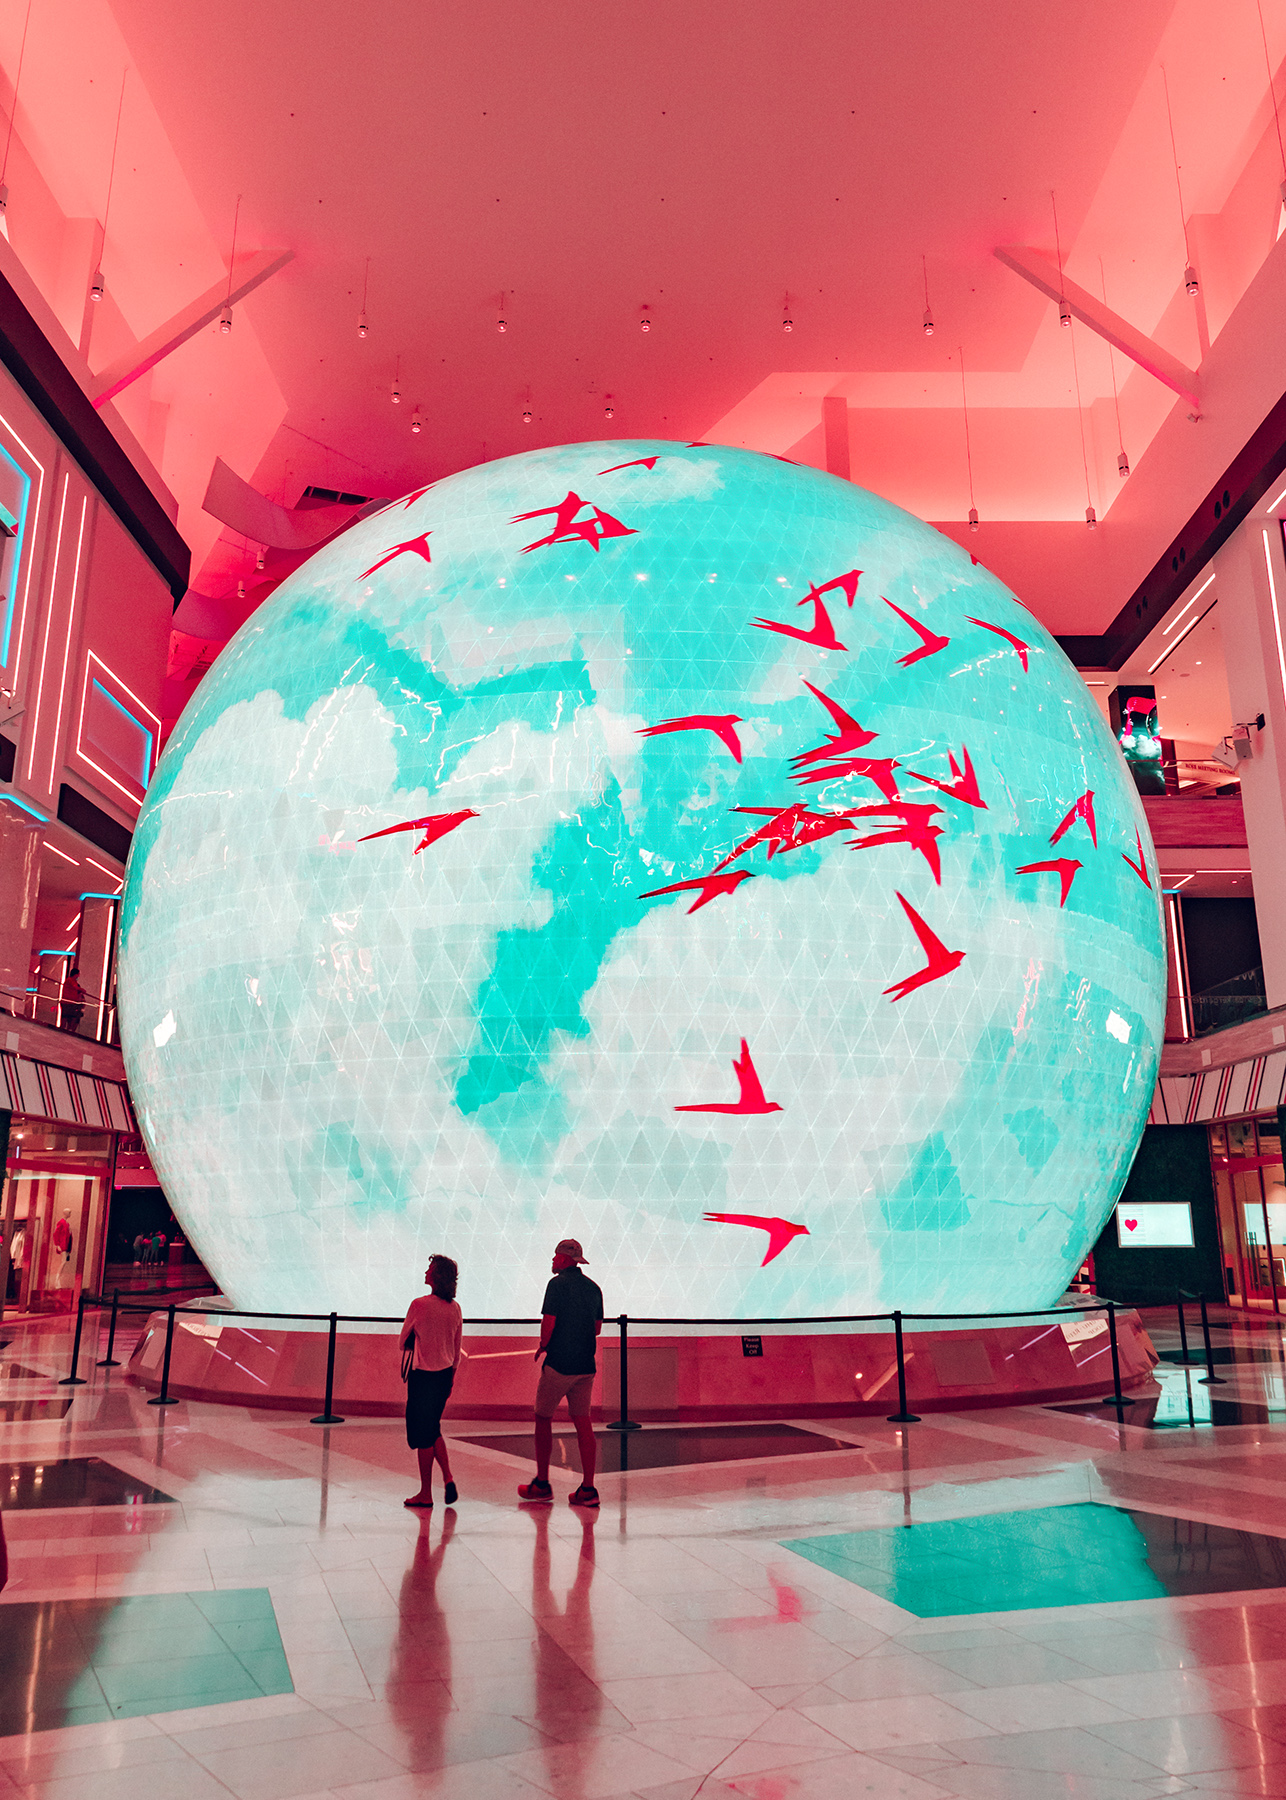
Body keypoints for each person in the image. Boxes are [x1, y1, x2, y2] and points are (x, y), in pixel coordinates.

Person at [519, 1238, 604, 1509]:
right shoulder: (594, 1289)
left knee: (543, 1417)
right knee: (583, 1423)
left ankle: (542, 1485)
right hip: (585, 1368)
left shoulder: (555, 1285)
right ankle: (588, 1489)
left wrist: (544, 1346)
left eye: (555, 1256)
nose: (552, 1260)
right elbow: (597, 1328)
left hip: (559, 1365)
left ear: (565, 1260)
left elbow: (549, 1323)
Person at [399, 1254, 462, 1509]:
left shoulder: (419, 1305)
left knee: (424, 1435)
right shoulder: (455, 1308)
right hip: (444, 1375)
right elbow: (457, 1349)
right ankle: (447, 1477)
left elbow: (403, 1340)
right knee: (433, 1427)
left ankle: (426, 1493)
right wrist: (451, 1379)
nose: (426, 1271)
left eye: (430, 1269)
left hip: (422, 1375)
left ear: (437, 1276)